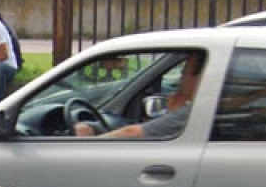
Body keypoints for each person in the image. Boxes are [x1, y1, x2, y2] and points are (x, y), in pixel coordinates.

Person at [75, 53, 203, 139]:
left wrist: (92, 141)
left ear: (200, 77)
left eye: (184, 72)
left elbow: (133, 133)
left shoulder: (194, 113)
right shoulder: (203, 109)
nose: (181, 78)